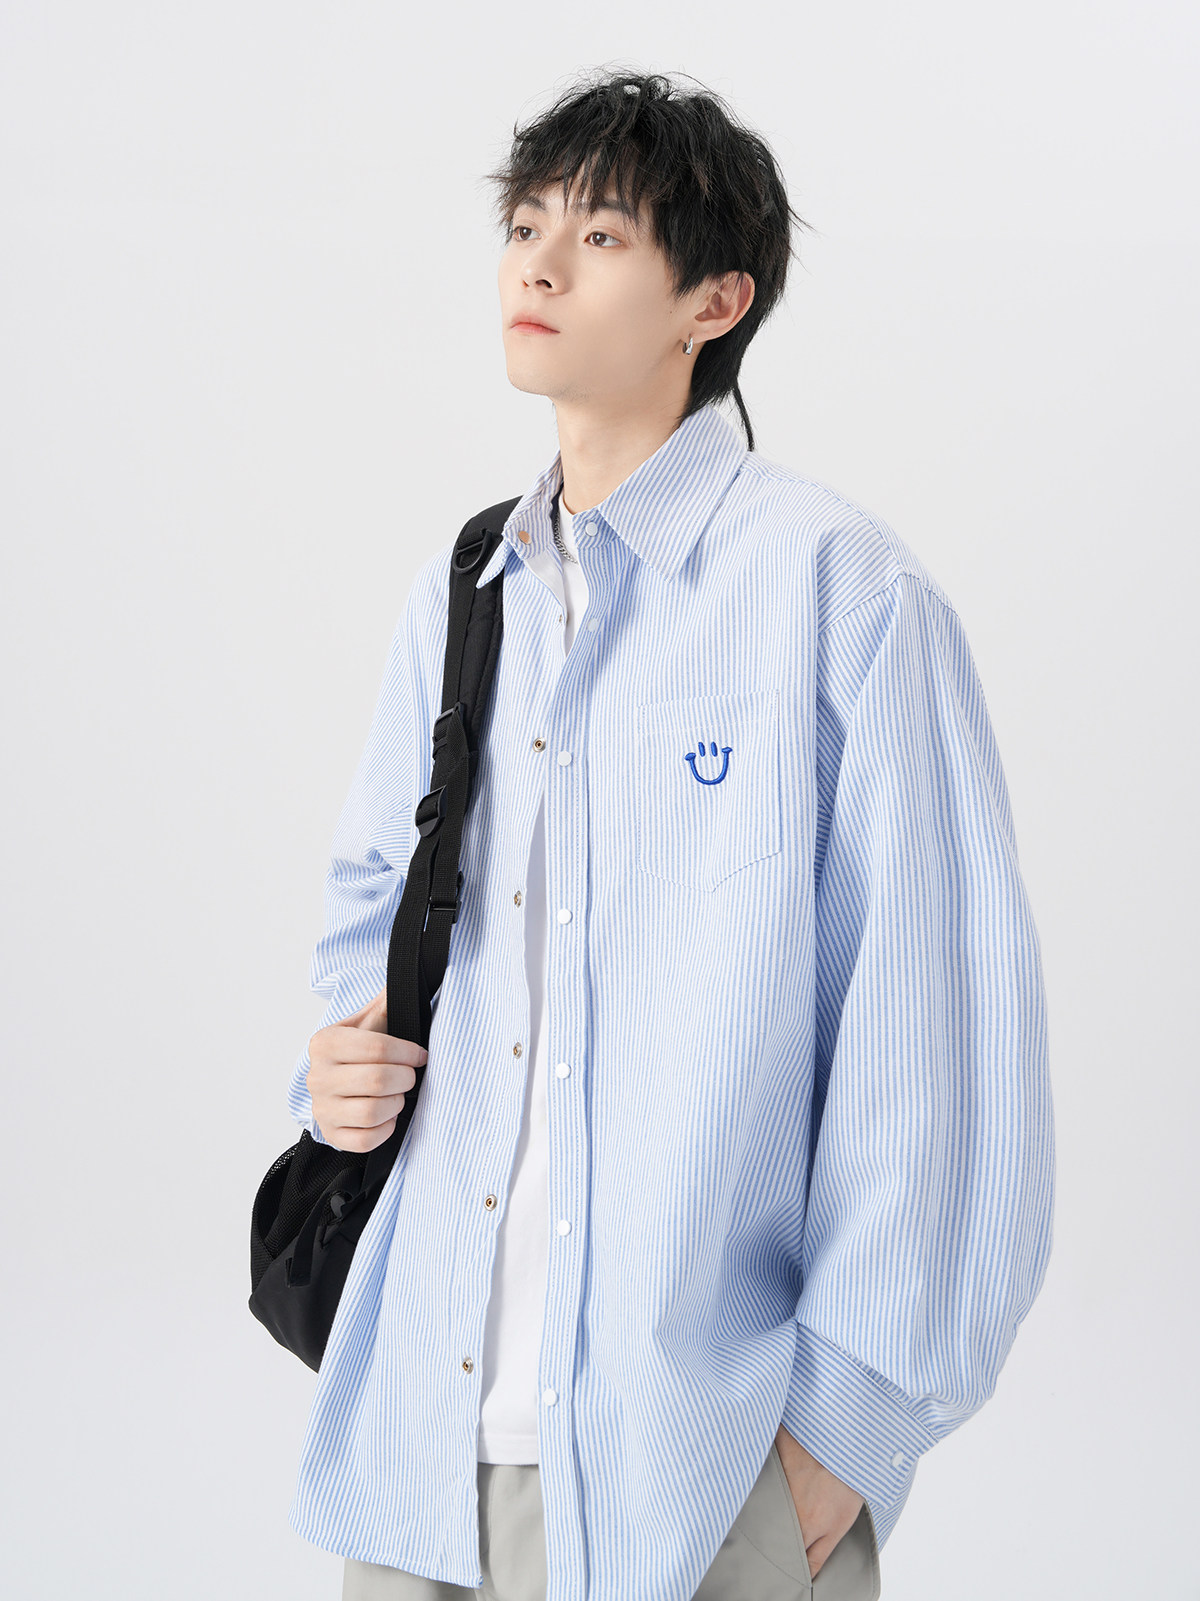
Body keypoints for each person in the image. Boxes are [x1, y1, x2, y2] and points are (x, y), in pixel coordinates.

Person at [286, 68, 1055, 1601]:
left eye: (600, 233)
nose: (539, 264)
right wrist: (333, 1068)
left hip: (702, 1476)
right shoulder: (465, 597)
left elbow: (940, 1046)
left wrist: (841, 1438)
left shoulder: (842, 594)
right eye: (524, 225)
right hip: (421, 1464)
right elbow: (370, 930)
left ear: (716, 298)